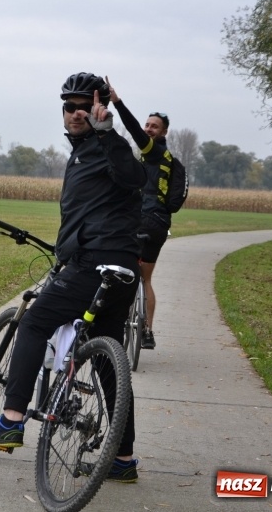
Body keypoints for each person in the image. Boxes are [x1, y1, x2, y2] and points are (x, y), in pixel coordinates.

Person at [0, 72, 148, 482]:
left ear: (99, 110)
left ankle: (11, 419)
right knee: (108, 362)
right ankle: (122, 459)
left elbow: (135, 178)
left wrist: (108, 132)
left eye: (85, 107)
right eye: (69, 107)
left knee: (35, 323)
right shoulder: (83, 152)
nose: (76, 113)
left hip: (97, 264)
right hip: (117, 269)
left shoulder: (106, 146)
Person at [109, 80, 174, 350]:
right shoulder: (165, 158)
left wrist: (117, 103)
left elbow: (133, 130)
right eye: (148, 124)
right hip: (159, 224)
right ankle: (147, 331)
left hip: (143, 221)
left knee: (122, 272)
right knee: (146, 279)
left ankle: (115, 324)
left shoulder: (154, 151)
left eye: (154, 126)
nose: (148, 129)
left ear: (164, 132)